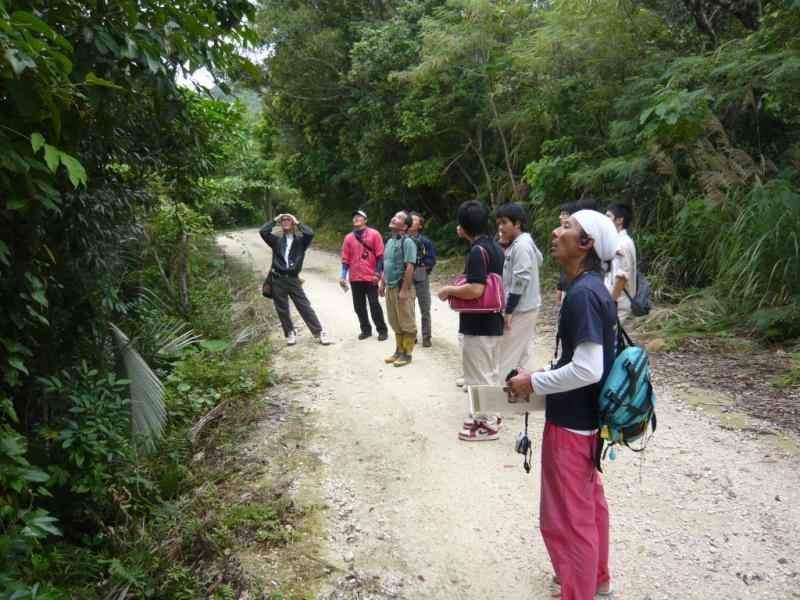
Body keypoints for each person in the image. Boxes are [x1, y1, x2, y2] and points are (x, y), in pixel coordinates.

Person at [506, 209, 619, 599]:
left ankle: (578, 591)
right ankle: (596, 580)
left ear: (586, 244)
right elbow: (581, 359)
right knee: (589, 506)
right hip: (588, 423)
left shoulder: (582, 295)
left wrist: (534, 382)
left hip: (571, 427)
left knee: (567, 520)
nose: (556, 231)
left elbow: (588, 369)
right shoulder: (592, 288)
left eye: (567, 228)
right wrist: (541, 371)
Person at [437, 200, 505, 441]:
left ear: (463, 227)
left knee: (478, 376)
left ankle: (485, 424)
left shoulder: (477, 251)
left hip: (478, 325)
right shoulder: (495, 247)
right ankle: (492, 415)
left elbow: (476, 289)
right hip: (493, 322)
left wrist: (448, 290)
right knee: (490, 372)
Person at [259, 213, 331, 346]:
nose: (286, 221)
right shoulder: (276, 241)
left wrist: (298, 222)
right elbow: (263, 231)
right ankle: (290, 333)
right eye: (283, 220)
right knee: (282, 309)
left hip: (293, 279)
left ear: (292, 224)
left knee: (304, 306)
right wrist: (275, 219)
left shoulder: (301, 242)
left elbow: (310, 233)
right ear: (281, 223)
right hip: (277, 279)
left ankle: (319, 332)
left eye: (288, 220)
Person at [495, 203, 543, 380]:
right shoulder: (524, 242)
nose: (500, 227)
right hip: (528, 306)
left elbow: (520, 280)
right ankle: (522, 397)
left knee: (504, 355)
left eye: (505, 222)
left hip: (521, 309)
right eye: (499, 222)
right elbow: (539, 260)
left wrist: (508, 310)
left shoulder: (521, 245)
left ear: (518, 223)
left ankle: (496, 401)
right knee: (523, 353)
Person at [340, 209, 389, 341]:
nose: (356, 218)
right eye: (354, 217)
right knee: (359, 306)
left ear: (365, 220)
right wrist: (343, 276)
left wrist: (377, 273)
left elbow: (380, 256)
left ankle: (382, 330)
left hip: (370, 277)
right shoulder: (348, 238)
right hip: (355, 277)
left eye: (359, 216)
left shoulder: (374, 234)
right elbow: (345, 259)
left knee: (374, 304)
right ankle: (366, 329)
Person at [380, 210, 417, 367]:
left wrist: (405, 289)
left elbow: (410, 266)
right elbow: (386, 264)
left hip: (403, 287)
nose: (394, 218)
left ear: (405, 227)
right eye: (394, 216)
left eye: (399, 218)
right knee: (394, 320)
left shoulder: (407, 242)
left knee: (406, 320)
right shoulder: (389, 242)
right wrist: (382, 283)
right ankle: (398, 350)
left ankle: (407, 354)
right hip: (390, 286)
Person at [408, 212, 437, 347]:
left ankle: (426, 337)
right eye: (410, 219)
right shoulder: (402, 239)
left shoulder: (425, 241)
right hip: (406, 276)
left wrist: (423, 266)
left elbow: (432, 258)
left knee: (425, 308)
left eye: (415, 220)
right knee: (408, 308)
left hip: (420, 273)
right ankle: (411, 335)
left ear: (420, 225)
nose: (412, 222)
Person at [605, 203, 637, 323]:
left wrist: (611, 303)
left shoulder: (623, 244)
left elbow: (622, 277)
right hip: (613, 302)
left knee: (609, 339)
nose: (605, 219)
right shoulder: (617, 242)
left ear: (619, 220)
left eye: (608, 216)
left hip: (618, 304)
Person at [557, 201, 580, 304]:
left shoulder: (581, 237)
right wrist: (560, 286)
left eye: (563, 213)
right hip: (566, 287)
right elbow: (564, 265)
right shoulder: (564, 235)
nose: (560, 217)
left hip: (577, 287)